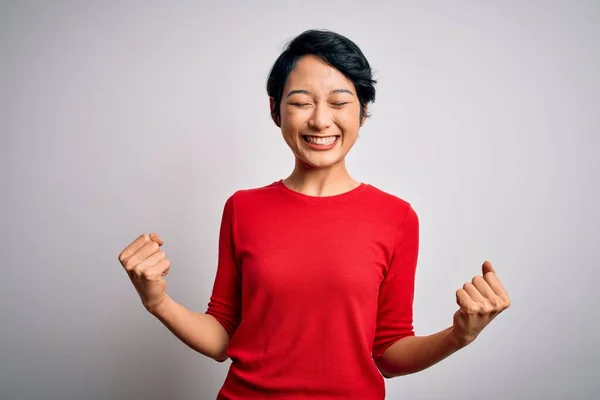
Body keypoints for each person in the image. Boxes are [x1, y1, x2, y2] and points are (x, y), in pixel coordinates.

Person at [117, 29, 511, 399]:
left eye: (339, 102)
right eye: (301, 103)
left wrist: (459, 336)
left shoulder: (397, 218)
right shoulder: (242, 208)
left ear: (363, 113)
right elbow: (223, 337)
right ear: (276, 111)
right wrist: (157, 302)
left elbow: (388, 353)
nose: (321, 120)